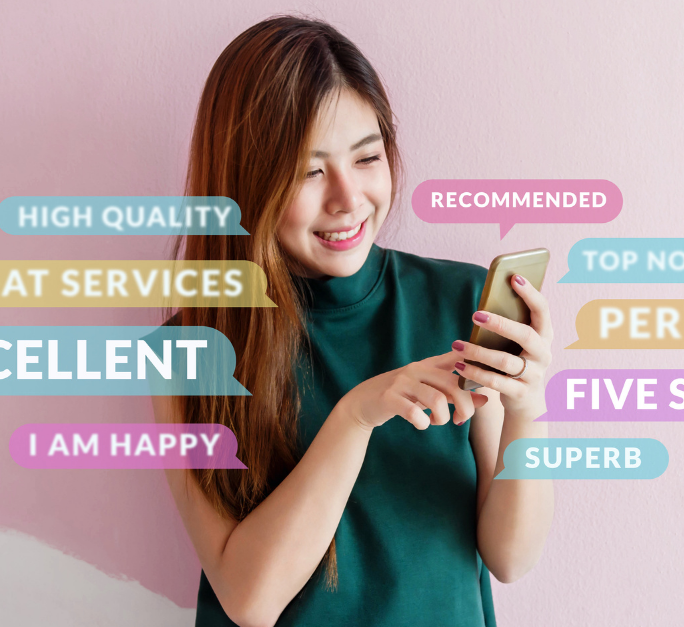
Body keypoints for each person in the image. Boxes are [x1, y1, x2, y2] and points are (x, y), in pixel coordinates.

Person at [151, 16, 554, 627]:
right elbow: (248, 600)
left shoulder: (460, 302)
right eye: (309, 171)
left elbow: (511, 557)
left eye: (367, 157)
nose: (346, 198)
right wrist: (356, 416)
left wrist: (527, 410)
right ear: (246, 181)